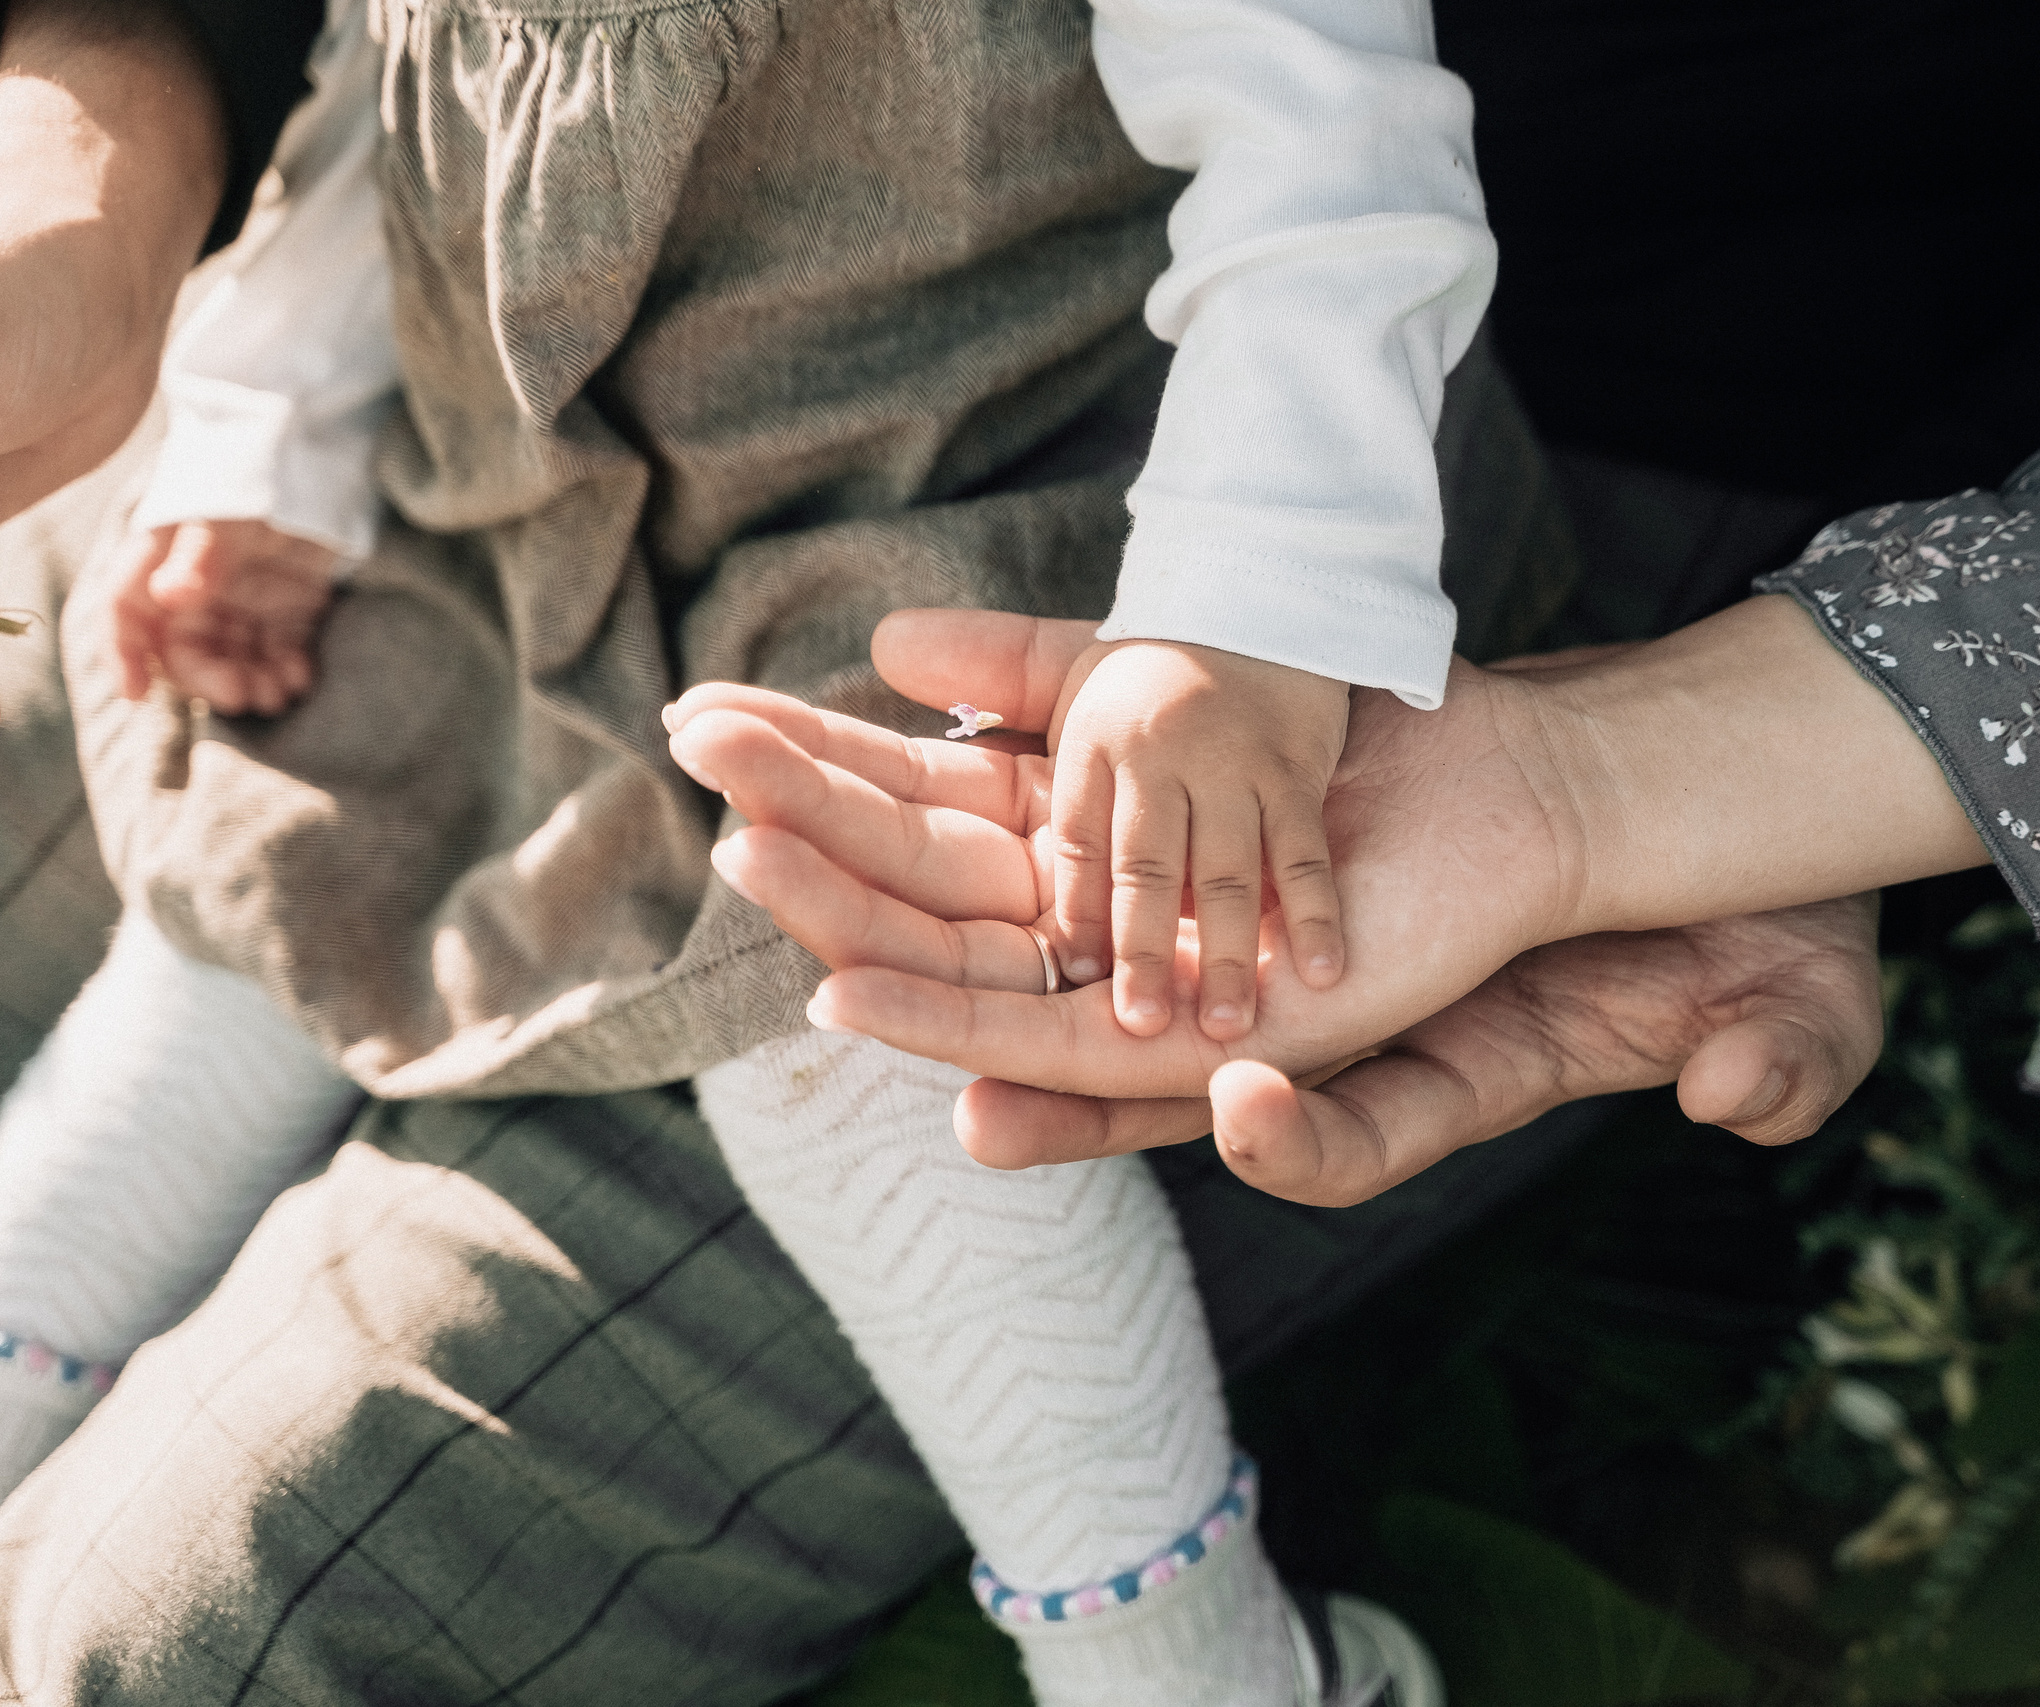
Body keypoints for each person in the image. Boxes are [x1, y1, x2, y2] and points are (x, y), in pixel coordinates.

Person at [686, 6, 2040, 1701]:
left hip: (1509, 454)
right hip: (573, 572)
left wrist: (1275, 603)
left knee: (853, 1031)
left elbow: (1312, 114)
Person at [0, 0, 1611, 1700]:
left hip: (1008, 482)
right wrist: (274, 431)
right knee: (257, 885)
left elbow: (1327, 152)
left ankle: (1188, 1664)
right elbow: (406, 89)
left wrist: (1243, 614)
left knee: (872, 1020)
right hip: (539, 492)